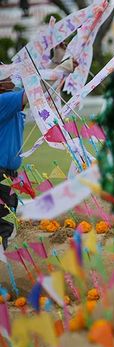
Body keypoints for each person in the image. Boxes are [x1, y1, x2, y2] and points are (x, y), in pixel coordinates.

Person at [0, 78, 27, 250]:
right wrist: (60, 69)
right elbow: (33, 93)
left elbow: (35, 90)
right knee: (4, 227)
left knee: (5, 224)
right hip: (1, 175)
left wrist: (57, 65)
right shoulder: (4, 100)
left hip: (6, 175)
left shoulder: (9, 101)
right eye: (7, 75)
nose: (12, 78)